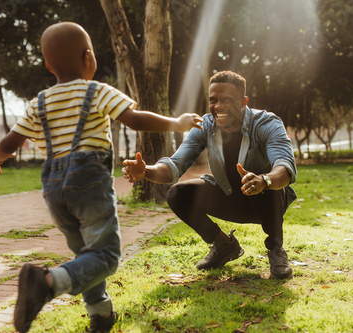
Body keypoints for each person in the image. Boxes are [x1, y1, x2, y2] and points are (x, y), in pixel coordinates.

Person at [0, 22, 202, 333]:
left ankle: (101, 313)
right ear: (89, 57)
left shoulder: (39, 102)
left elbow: (10, 142)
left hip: (53, 190)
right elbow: (134, 119)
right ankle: (47, 282)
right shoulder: (96, 90)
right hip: (88, 184)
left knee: (86, 255)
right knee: (106, 255)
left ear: (49, 66)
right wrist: (177, 123)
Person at [122, 70, 297, 279]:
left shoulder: (267, 123)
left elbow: (284, 167)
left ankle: (276, 250)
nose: (218, 107)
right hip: (229, 196)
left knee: (265, 180)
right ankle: (224, 245)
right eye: (213, 100)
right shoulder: (204, 126)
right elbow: (174, 166)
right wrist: (146, 171)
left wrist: (264, 180)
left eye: (227, 100)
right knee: (177, 194)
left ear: (244, 101)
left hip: (266, 199)